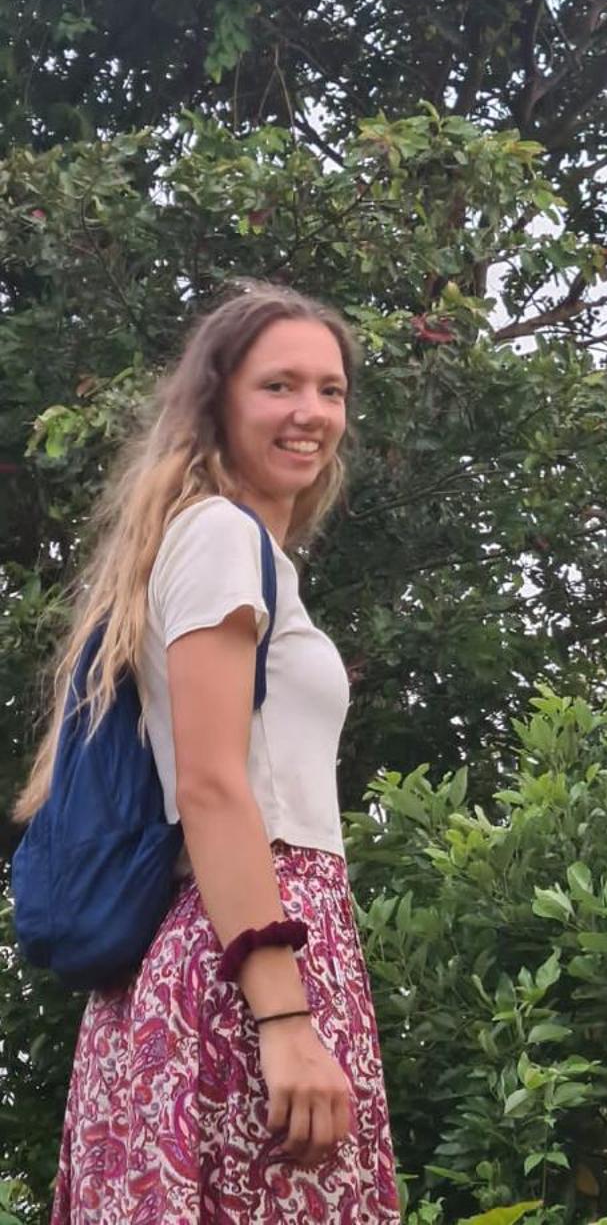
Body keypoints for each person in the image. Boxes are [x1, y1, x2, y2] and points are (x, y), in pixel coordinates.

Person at [11, 279, 402, 1219]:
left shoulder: (228, 550)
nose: (311, 412)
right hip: (251, 954)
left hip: (213, 953)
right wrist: (286, 1017)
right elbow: (216, 787)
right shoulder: (221, 537)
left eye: (331, 389)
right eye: (279, 386)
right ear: (219, 397)